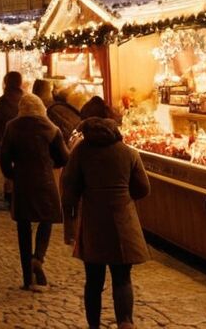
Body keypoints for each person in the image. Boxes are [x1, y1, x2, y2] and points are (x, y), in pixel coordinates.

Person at [61, 115, 150, 329]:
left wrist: (70, 224)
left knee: (93, 279)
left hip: (93, 222)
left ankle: (94, 325)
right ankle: (125, 322)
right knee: (122, 277)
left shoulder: (81, 152)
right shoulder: (129, 153)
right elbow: (143, 188)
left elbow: (69, 188)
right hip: (123, 221)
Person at [0, 93, 69, 291]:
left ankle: (27, 279)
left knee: (23, 227)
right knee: (46, 220)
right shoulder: (51, 128)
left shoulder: (12, 127)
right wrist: (50, 163)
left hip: (23, 182)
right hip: (45, 181)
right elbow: (64, 157)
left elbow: (4, 155)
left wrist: (11, 174)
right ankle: (38, 257)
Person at [0, 70, 24, 199]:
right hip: (23, 140)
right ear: (20, 83)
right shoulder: (26, 101)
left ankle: (9, 191)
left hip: (3, 140)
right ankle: (20, 190)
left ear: (5, 83)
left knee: (7, 166)